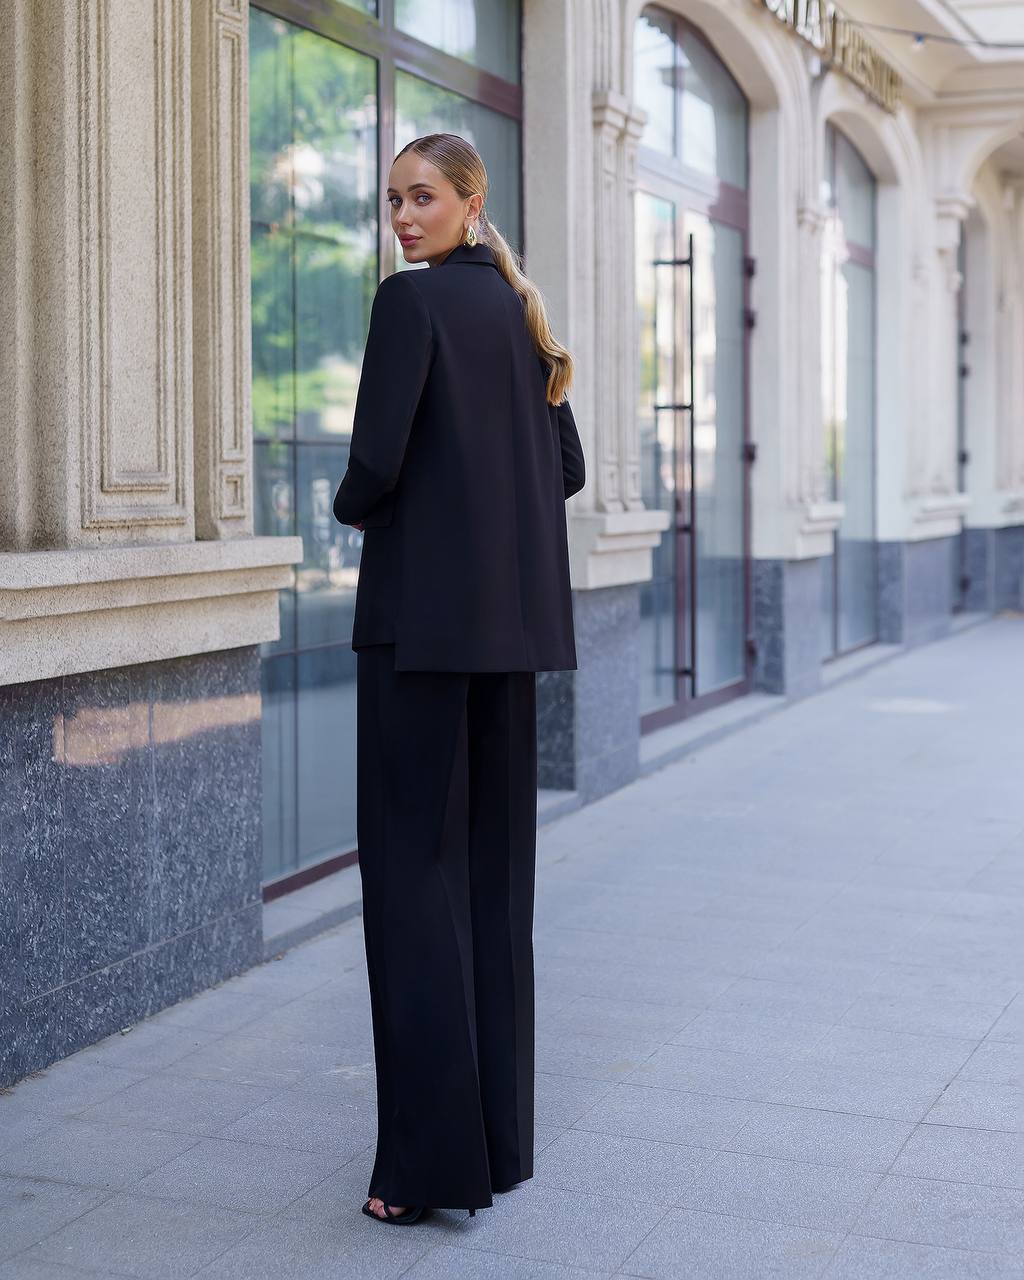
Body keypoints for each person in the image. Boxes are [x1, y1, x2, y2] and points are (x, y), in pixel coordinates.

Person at [333, 131, 586, 1227]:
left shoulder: (413, 304)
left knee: (411, 892)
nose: (402, 216)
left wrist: (355, 508)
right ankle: (499, 1147)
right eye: (393, 199)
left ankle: (426, 1168)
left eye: (422, 196)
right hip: (506, 645)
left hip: (417, 639)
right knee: (492, 891)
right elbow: (566, 468)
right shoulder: (522, 320)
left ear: (470, 203)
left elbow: (374, 465)